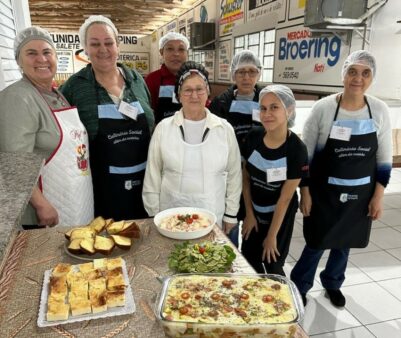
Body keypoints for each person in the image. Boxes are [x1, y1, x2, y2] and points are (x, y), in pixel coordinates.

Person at [290, 50, 393, 307]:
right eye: (353, 71)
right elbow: (307, 157)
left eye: (365, 73)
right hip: (324, 192)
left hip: (361, 194)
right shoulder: (323, 109)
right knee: (316, 241)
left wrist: (378, 196)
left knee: (345, 241)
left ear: (372, 77)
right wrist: (306, 192)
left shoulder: (378, 110)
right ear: (343, 74)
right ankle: (300, 285)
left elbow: (384, 158)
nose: (358, 78)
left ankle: (333, 283)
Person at [61, 15, 153, 221]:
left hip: (145, 185)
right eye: (94, 44)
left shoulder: (136, 80)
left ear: (118, 45)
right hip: (101, 189)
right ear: (85, 48)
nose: (103, 49)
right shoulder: (75, 87)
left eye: (109, 42)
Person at [0, 26, 94, 228]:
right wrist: (41, 204)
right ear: (19, 61)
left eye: (46, 52)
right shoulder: (18, 97)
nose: (41, 59)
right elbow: (15, 162)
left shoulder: (56, 94)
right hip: (43, 210)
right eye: (31, 53)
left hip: (75, 198)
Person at [142, 61, 242, 233]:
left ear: (208, 92)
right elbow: (153, 175)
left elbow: (234, 174)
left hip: (212, 217)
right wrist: (154, 215)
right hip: (170, 219)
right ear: (178, 95)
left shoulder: (224, 129)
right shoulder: (164, 129)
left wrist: (231, 215)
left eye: (199, 89)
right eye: (187, 90)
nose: (194, 95)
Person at [241, 85, 309, 275]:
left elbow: (285, 199)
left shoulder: (296, 149)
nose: (267, 114)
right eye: (263, 108)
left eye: (274, 107)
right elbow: (245, 177)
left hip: (280, 215)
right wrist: (249, 214)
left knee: (273, 263)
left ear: (289, 110)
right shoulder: (254, 136)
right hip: (254, 208)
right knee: (248, 260)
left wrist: (272, 235)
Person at [209, 50, 263, 245]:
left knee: (253, 220)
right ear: (233, 74)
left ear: (259, 74)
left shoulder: (267, 101)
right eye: (241, 72)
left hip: (258, 173)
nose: (246, 77)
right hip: (228, 172)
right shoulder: (221, 103)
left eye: (252, 71)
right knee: (230, 220)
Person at [145, 32, 189, 124]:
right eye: (170, 49)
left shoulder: (194, 78)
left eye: (181, 49)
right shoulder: (152, 79)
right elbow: (147, 113)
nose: (176, 54)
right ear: (161, 52)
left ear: (187, 53)